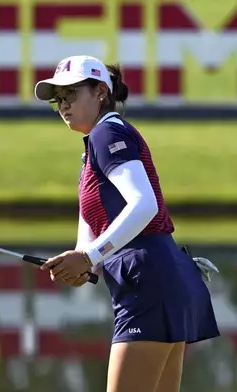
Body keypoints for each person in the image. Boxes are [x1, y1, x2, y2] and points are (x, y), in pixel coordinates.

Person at [33, 55, 221, 392]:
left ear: (101, 92)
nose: (63, 105)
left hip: (150, 281)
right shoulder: (94, 147)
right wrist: (80, 265)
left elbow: (144, 205)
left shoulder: (107, 133)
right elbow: (89, 241)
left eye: (71, 94)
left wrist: (89, 258)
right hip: (160, 280)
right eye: (58, 99)